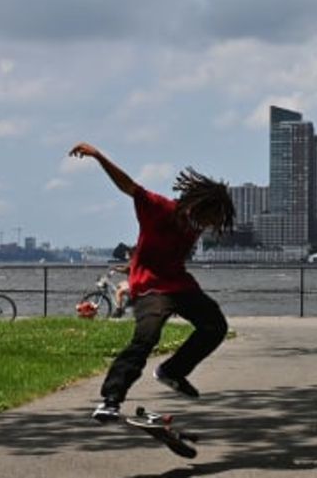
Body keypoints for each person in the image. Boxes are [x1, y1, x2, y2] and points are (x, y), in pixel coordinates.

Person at [68, 142, 234, 423]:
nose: (207, 226)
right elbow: (128, 186)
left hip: (180, 284)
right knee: (146, 337)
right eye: (209, 219)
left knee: (215, 326)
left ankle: (173, 371)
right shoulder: (158, 207)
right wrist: (98, 156)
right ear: (197, 206)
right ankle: (110, 400)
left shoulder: (192, 227)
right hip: (150, 288)